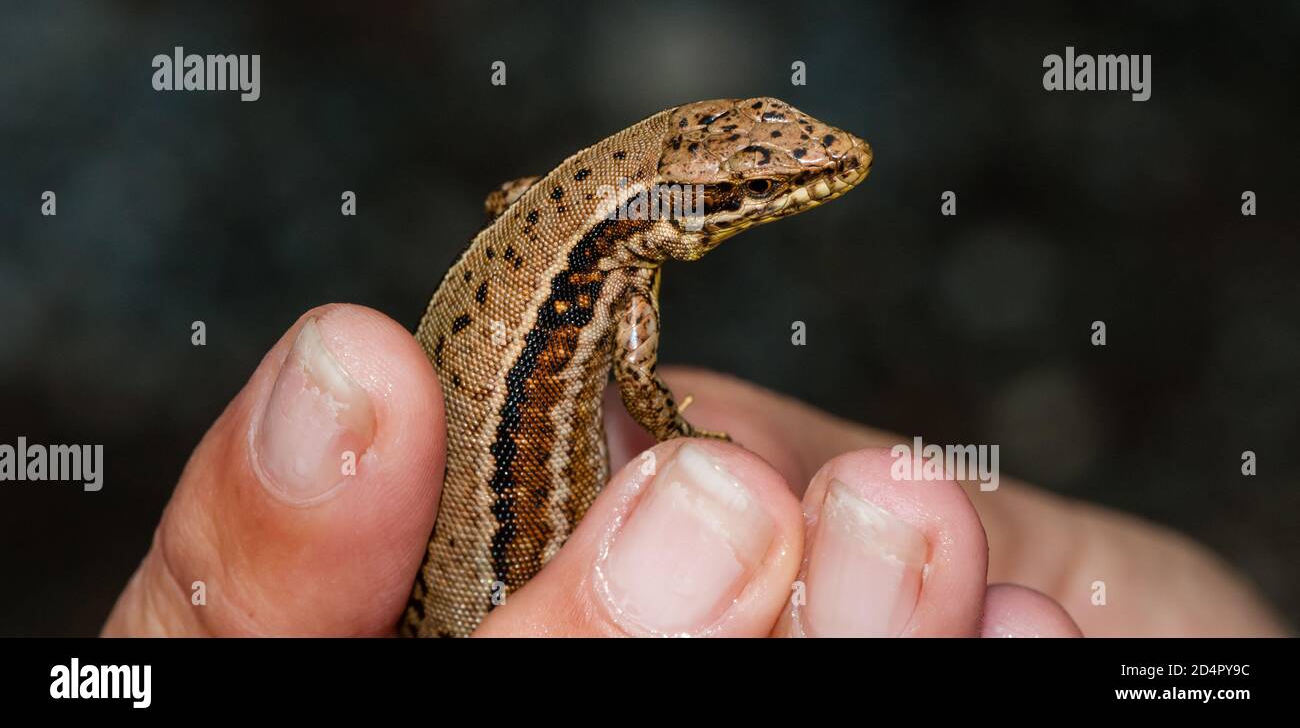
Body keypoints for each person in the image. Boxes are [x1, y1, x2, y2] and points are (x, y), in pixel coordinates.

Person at [103, 305, 1286, 637]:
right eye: (766, 184)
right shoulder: (617, 290)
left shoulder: (585, 248)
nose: (809, 179)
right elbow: (651, 394)